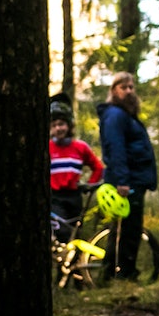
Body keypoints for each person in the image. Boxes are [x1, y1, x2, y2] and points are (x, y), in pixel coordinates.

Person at [96, 72, 157, 282]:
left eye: (131, 87)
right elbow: (116, 149)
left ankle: (113, 273)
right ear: (114, 91)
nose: (129, 91)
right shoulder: (115, 115)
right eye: (124, 87)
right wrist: (122, 180)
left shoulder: (125, 115)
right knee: (127, 231)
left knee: (125, 229)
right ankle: (123, 275)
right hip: (127, 181)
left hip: (135, 179)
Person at [48, 95, 105, 243]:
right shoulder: (47, 147)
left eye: (61, 124)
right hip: (54, 197)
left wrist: (90, 185)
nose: (58, 129)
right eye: (53, 126)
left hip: (74, 196)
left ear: (69, 125)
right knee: (61, 232)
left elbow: (98, 167)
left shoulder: (80, 147)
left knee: (75, 234)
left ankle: (72, 264)